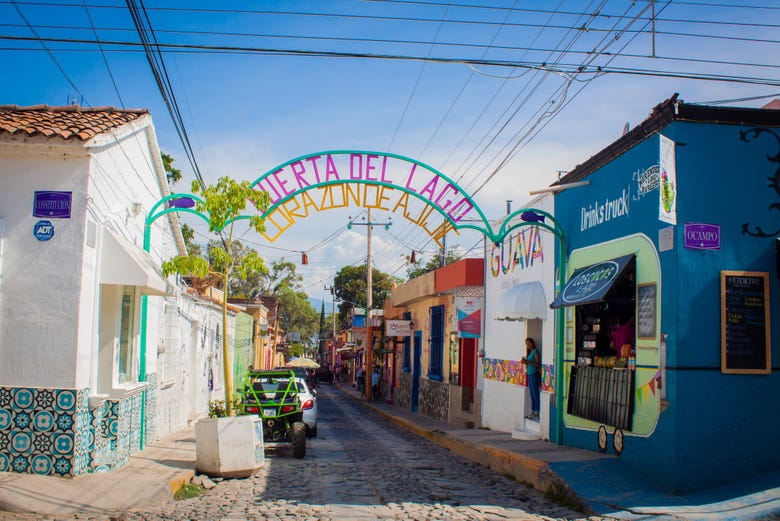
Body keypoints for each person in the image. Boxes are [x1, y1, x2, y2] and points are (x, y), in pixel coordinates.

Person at [521, 337, 541, 420]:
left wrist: (528, 362)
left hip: (534, 374)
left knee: (535, 394)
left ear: (533, 343)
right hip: (529, 374)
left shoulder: (536, 352)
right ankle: (533, 412)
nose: (528, 345)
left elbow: (538, 364)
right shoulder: (530, 353)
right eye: (526, 344)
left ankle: (537, 412)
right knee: (532, 394)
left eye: (529, 343)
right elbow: (529, 364)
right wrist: (524, 362)